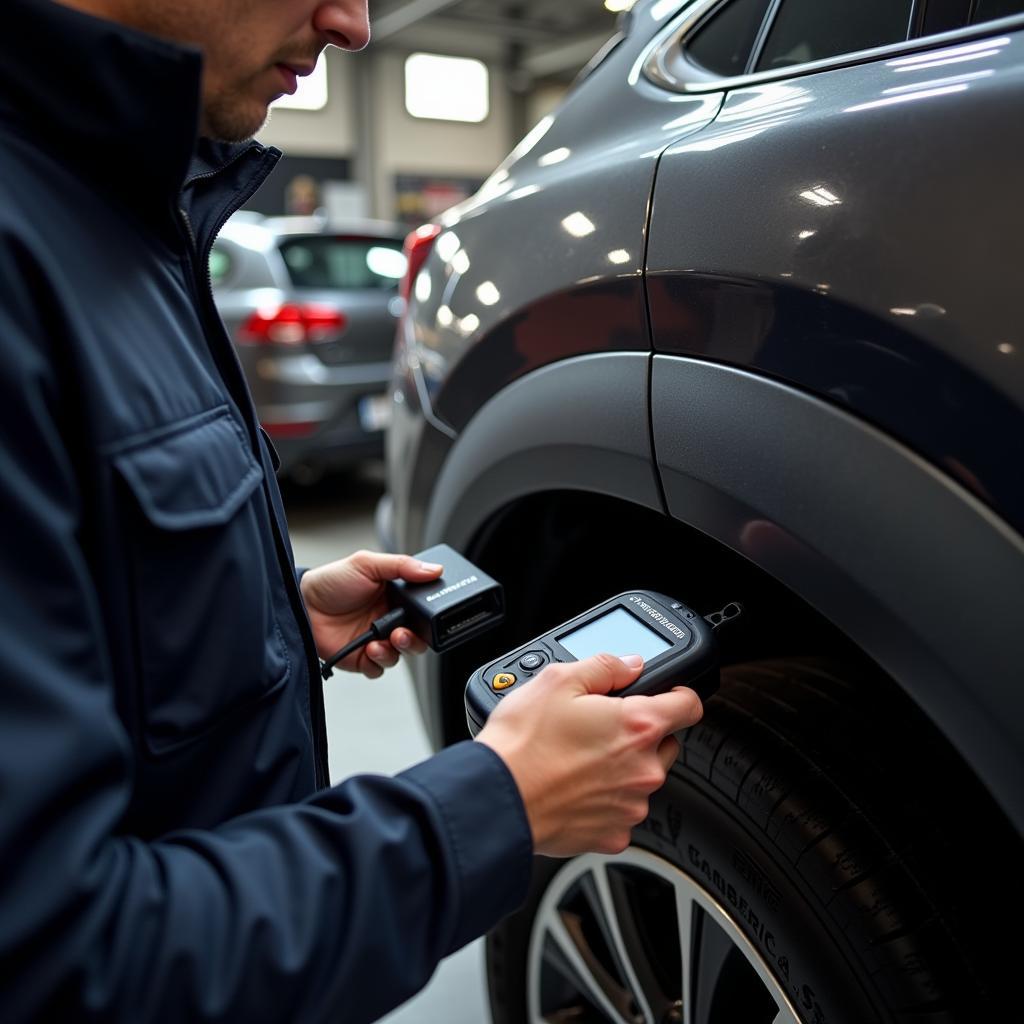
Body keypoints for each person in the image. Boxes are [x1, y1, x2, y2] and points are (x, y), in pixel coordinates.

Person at [0, 1, 704, 1021]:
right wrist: (490, 806)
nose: (354, 24)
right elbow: (56, 966)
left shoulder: (117, 207)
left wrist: (274, 618)